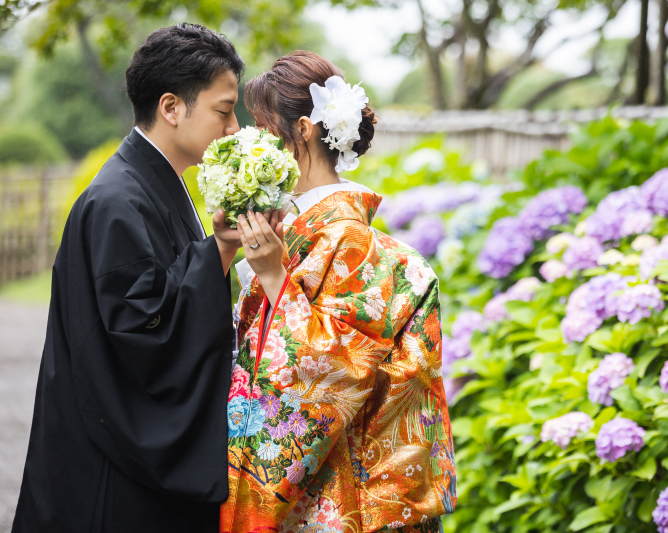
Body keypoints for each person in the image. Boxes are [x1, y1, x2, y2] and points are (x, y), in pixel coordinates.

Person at [13, 24, 244, 533]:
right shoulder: (118, 200)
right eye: (224, 111)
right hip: (109, 476)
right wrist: (220, 251)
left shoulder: (154, 183)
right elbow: (144, 332)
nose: (232, 128)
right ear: (171, 107)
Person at [221, 51, 456, 533]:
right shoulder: (311, 233)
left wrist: (271, 276)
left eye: (264, 128)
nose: (254, 142)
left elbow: (332, 370)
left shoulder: (347, 242)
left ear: (303, 129)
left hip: (353, 499)